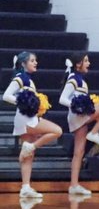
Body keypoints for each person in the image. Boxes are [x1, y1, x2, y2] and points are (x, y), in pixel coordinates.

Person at [2, 52, 62, 198]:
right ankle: (31, 146)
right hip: (26, 119)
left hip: (25, 117)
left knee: (28, 156)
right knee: (57, 131)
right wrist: (23, 102)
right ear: (23, 64)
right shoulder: (20, 78)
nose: (35, 63)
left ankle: (25, 187)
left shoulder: (27, 79)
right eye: (32, 61)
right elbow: (6, 95)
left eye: (36, 60)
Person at [59, 52, 99, 196]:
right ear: (78, 64)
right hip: (78, 115)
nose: (89, 63)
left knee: (78, 152)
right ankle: (94, 132)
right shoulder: (74, 79)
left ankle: (74, 185)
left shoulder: (79, 79)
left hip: (78, 116)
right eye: (86, 61)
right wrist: (77, 106)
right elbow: (62, 99)